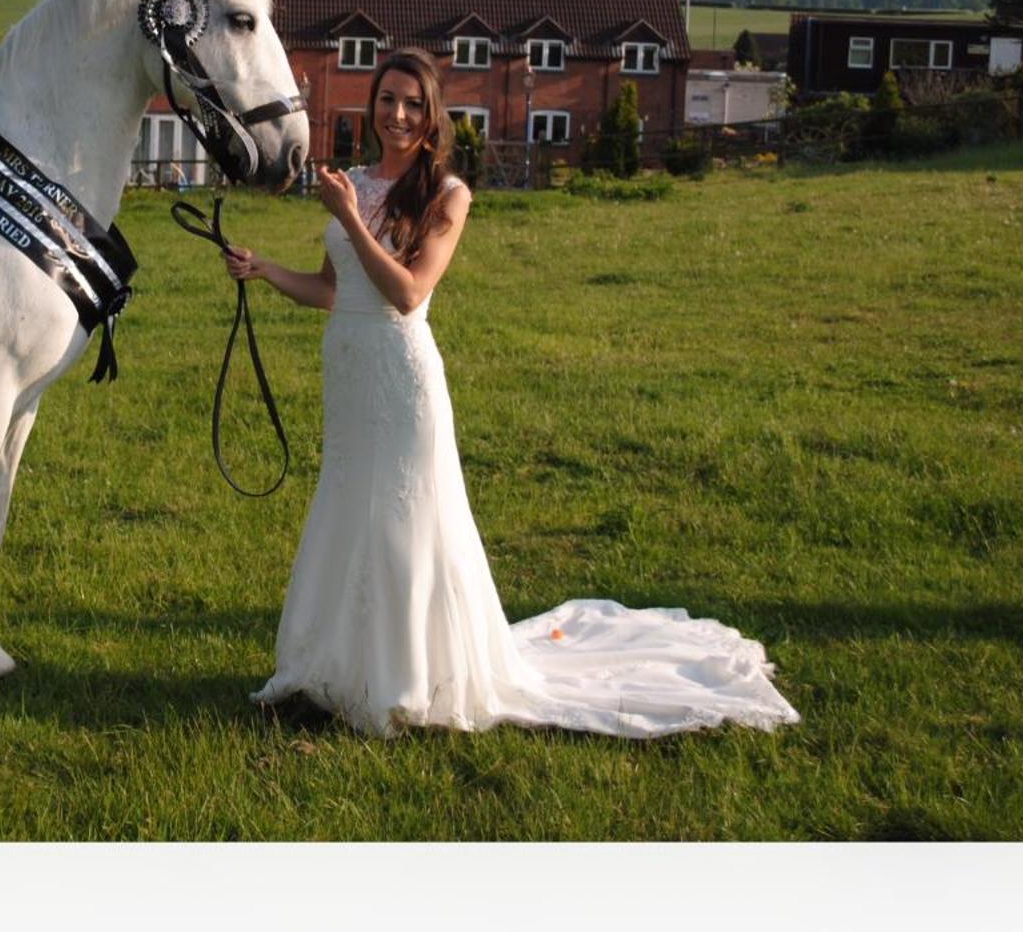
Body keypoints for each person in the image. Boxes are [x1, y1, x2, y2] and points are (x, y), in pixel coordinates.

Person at [225, 48, 800, 738]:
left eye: (412, 103)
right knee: (350, 508)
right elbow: (329, 290)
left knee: (405, 521)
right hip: (346, 377)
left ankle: (407, 678)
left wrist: (350, 219)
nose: (397, 114)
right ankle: (338, 668)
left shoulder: (448, 195)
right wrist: (263, 270)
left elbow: (408, 294)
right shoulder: (351, 180)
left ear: (432, 115)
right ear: (371, 106)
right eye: (387, 100)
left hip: (400, 378)